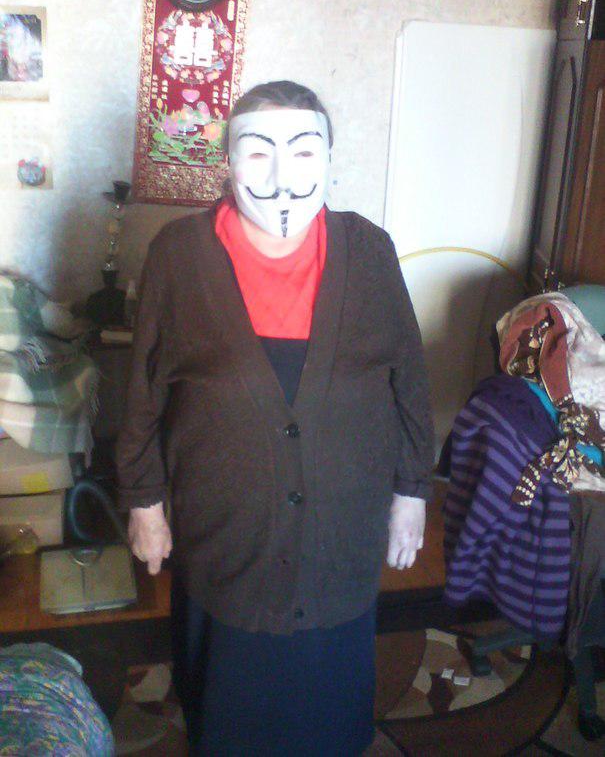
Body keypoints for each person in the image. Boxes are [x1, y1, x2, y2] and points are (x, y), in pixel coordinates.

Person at [116, 80, 434, 756]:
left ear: (329, 159)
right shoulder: (178, 254)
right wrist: (144, 502)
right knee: (229, 712)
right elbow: (143, 388)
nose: (283, 176)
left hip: (339, 540)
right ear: (228, 162)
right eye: (259, 152)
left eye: (304, 151)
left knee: (327, 716)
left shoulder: (370, 251)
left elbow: (408, 376)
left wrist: (412, 490)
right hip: (225, 542)